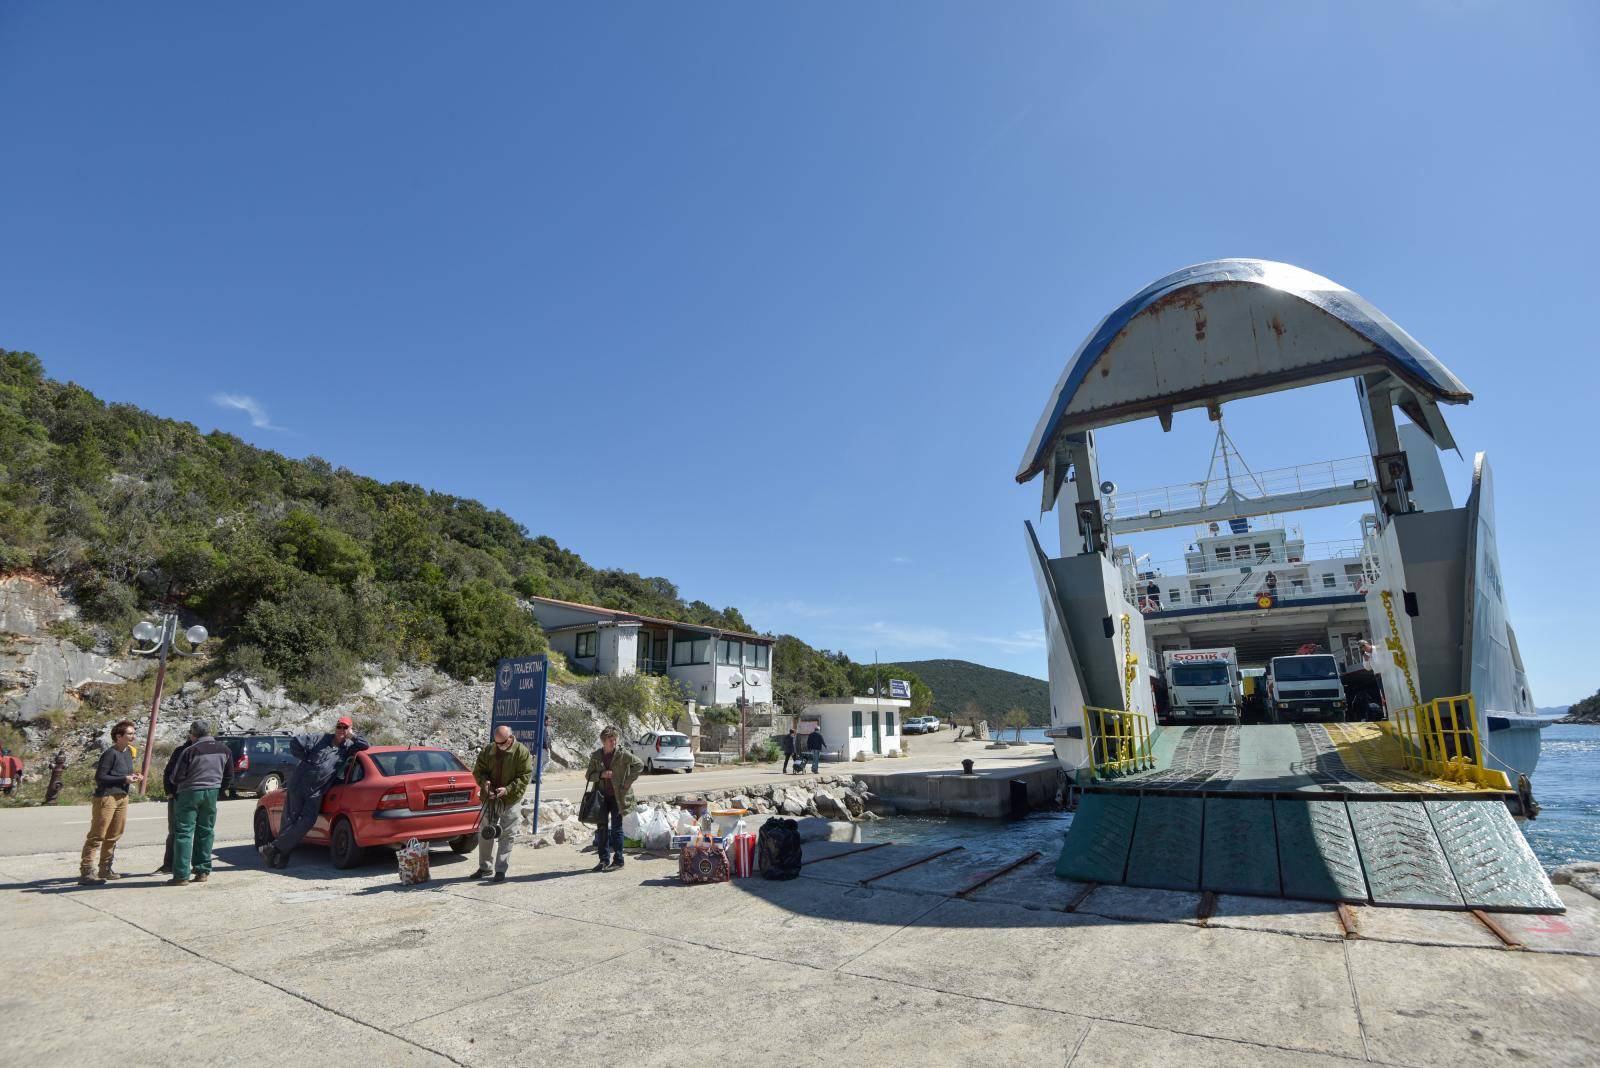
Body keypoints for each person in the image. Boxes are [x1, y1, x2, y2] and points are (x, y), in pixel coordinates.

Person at [259, 716, 368, 868]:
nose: (341, 730)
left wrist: (352, 735)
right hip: (299, 784)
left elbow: (365, 745)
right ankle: (280, 857)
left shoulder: (348, 746)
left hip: (317, 790)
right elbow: (296, 741)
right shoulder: (320, 738)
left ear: (349, 729)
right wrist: (305, 758)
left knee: (307, 821)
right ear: (335, 727)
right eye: (339, 727)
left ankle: (274, 848)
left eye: (345, 728)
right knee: (290, 821)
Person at [165, 721, 232, 886]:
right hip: (212, 792)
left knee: (184, 833)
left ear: (193, 734)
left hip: (189, 793)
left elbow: (176, 776)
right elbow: (229, 775)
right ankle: (202, 870)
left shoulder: (190, 750)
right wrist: (220, 789)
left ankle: (181, 875)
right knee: (206, 831)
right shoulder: (224, 749)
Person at [79, 720, 143, 885]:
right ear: (118, 736)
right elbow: (100, 777)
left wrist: (134, 776)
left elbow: (124, 773)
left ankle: (105, 869)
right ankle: (86, 871)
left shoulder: (128, 752)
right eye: (129, 733)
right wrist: (124, 778)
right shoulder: (110, 753)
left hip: (123, 796)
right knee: (97, 835)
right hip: (106, 797)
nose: (133, 736)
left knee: (114, 835)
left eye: (133, 733)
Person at [470, 725, 531, 883]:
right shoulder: (489, 749)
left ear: (510, 738)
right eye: (496, 743)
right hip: (489, 798)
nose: (499, 747)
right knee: (485, 832)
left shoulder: (522, 752)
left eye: (502, 743)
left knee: (507, 834)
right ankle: (485, 867)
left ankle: (501, 870)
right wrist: (485, 783)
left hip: (510, 799)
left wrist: (508, 789)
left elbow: (524, 776)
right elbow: (478, 771)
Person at [585, 726, 640, 873]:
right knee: (601, 829)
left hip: (618, 798)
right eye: (611, 740)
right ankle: (603, 860)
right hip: (601, 798)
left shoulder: (622, 754)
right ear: (604, 742)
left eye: (615, 739)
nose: (614, 742)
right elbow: (588, 775)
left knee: (617, 829)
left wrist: (628, 781)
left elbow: (639, 765)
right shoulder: (596, 756)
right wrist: (602, 774)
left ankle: (619, 860)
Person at [157, 734, 195, 874]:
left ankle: (179, 865)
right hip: (179, 796)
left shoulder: (201, 750)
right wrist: (170, 791)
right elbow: (169, 772)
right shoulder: (182, 751)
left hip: (190, 796)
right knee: (176, 831)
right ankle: (170, 864)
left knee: (181, 832)